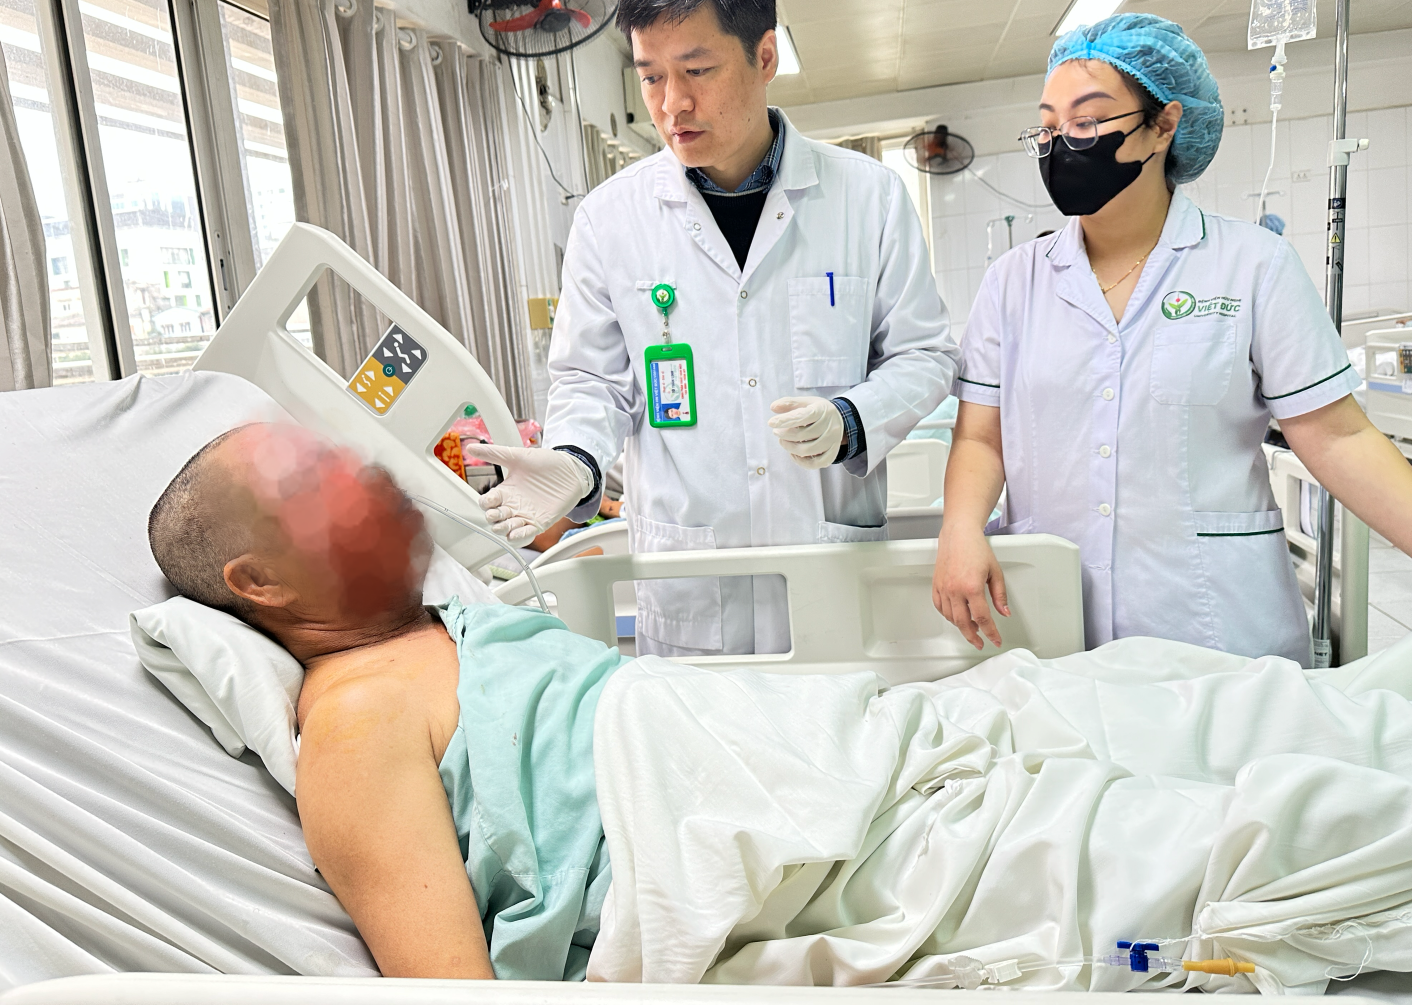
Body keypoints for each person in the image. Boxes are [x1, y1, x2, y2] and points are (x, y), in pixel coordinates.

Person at [147, 423, 1412, 987]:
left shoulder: (446, 627)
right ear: (261, 583)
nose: (368, 475)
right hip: (823, 848)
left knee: (1171, 699)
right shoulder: (353, 720)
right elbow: (458, 991)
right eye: (318, 482)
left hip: (862, 746)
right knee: (1204, 841)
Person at [474, 0, 958, 656]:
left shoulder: (869, 199)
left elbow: (925, 355)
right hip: (691, 586)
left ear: (764, 57)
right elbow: (590, 381)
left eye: (697, 70)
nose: (672, 104)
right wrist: (575, 458)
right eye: (650, 77)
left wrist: (852, 419)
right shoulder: (609, 220)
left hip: (828, 569)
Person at [933, 13, 1412, 662]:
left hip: (1217, 629)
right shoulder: (1012, 283)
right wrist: (959, 528)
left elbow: (1338, 437)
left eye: (1086, 122)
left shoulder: (1252, 266)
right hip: (1055, 632)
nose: (1061, 144)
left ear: (1163, 125)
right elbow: (980, 437)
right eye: (1047, 127)